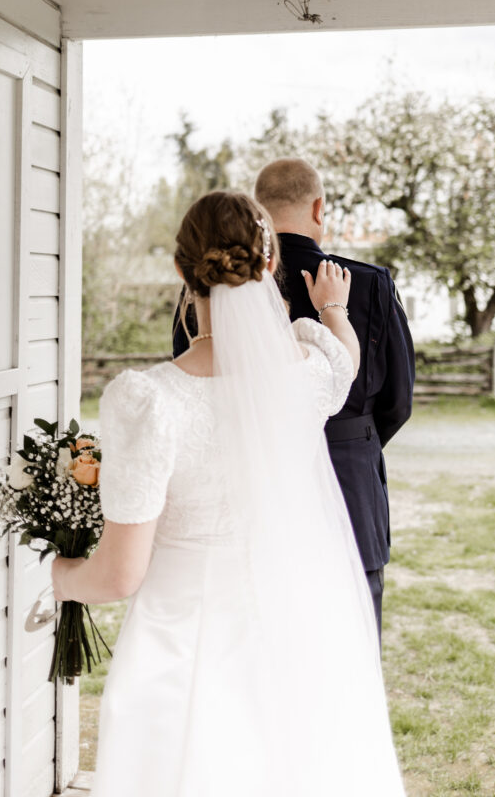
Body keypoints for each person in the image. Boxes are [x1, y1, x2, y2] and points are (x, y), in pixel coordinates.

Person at [51, 191, 406, 797]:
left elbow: (117, 577)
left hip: (183, 648)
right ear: (270, 268)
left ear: (182, 271)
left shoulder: (149, 400)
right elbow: (344, 360)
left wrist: (58, 575)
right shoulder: (306, 376)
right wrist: (334, 309)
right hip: (295, 633)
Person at [174, 160, 415, 638]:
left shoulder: (208, 288)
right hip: (350, 498)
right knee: (352, 658)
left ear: (256, 211)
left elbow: (195, 390)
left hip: (246, 505)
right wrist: (349, 444)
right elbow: (397, 402)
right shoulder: (368, 283)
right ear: (319, 208)